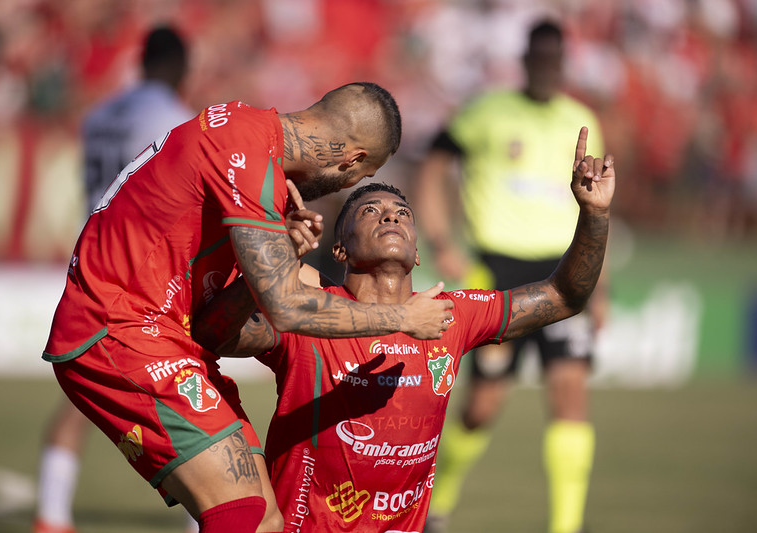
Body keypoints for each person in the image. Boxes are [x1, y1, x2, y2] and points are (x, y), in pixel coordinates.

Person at [41, 80, 454, 533]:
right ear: (352, 160)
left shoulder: (251, 141)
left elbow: (214, 323)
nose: (352, 185)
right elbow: (287, 309)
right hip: (119, 325)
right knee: (241, 510)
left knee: (264, 520)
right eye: (360, 176)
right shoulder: (248, 154)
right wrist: (404, 318)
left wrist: (283, 251)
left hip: (163, 335)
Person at [192, 127, 614, 532]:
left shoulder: (452, 315)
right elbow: (217, 335)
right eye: (370, 211)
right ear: (340, 249)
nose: (390, 215)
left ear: (416, 254)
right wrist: (270, 265)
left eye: (403, 214)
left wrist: (595, 215)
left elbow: (564, 296)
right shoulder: (309, 313)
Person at [416, 20, 608, 533]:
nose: (546, 67)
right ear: (524, 60)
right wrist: (440, 241)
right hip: (498, 270)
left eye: (555, 59)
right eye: (538, 58)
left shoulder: (581, 118)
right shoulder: (487, 112)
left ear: (564, 64)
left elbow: (596, 207)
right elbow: (432, 167)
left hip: (565, 268)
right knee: (483, 404)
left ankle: (566, 527)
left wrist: (600, 286)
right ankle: (440, 502)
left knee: (570, 392)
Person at [34, 26, 195, 533]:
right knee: (188, 389)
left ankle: (51, 514)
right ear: (180, 67)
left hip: (92, 261)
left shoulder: (100, 114)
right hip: (144, 270)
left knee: (81, 390)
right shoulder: (168, 117)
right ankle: (212, 514)